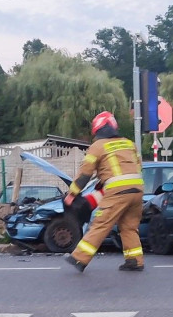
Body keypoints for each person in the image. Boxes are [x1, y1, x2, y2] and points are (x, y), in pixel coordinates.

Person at [63, 111, 146, 272]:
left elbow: (84, 175)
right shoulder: (129, 143)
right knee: (129, 227)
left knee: (100, 224)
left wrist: (72, 194)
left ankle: (79, 258)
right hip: (137, 190)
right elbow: (136, 166)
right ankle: (135, 260)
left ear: (97, 130)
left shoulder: (97, 146)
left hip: (118, 191)